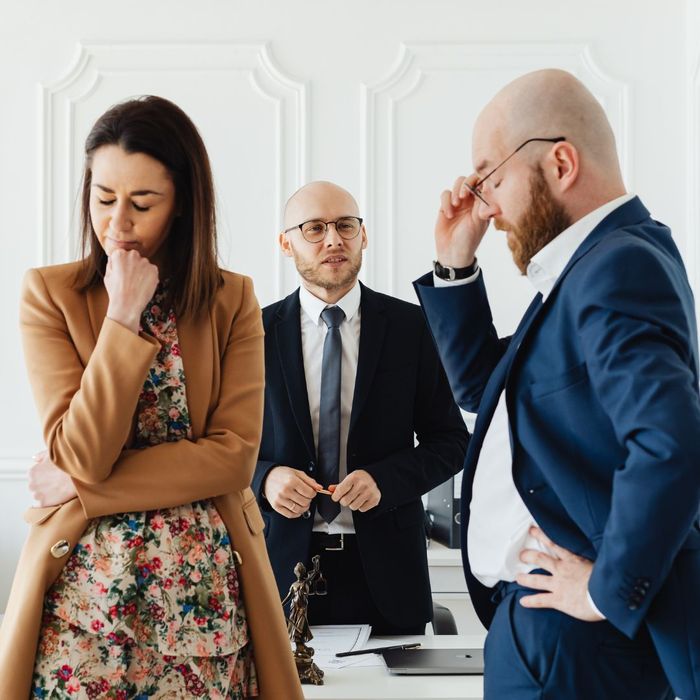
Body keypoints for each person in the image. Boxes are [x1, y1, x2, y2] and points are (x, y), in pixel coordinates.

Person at [0, 95, 302, 699]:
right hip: (85, 613)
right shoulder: (49, 294)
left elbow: (232, 458)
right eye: (103, 199)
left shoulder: (231, 300)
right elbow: (82, 451)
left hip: (204, 609)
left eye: (141, 204)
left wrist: (82, 486)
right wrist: (124, 315)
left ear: (183, 203)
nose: (116, 224)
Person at [414, 68, 700, 700]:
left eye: (491, 176)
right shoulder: (598, 266)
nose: (485, 205)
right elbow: (487, 394)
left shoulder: (615, 267)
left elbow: (671, 443)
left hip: (570, 641)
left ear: (562, 162)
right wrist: (455, 266)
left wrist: (606, 590)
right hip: (553, 635)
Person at [252, 181, 468, 635]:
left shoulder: (413, 327)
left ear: (363, 236)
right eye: (314, 228)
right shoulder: (251, 334)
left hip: (389, 576)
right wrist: (266, 477)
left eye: (345, 226)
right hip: (278, 570)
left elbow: (451, 443)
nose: (333, 240)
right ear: (285, 242)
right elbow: (220, 446)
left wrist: (383, 480)